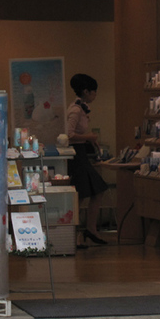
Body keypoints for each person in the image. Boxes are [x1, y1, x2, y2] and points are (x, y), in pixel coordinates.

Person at [65, 73, 110, 246]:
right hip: (76, 156)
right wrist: (89, 137)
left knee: (94, 191)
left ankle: (89, 230)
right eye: (94, 91)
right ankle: (78, 232)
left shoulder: (80, 108)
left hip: (81, 153)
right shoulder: (76, 110)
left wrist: (90, 140)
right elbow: (68, 134)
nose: (95, 95)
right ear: (86, 91)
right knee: (82, 195)